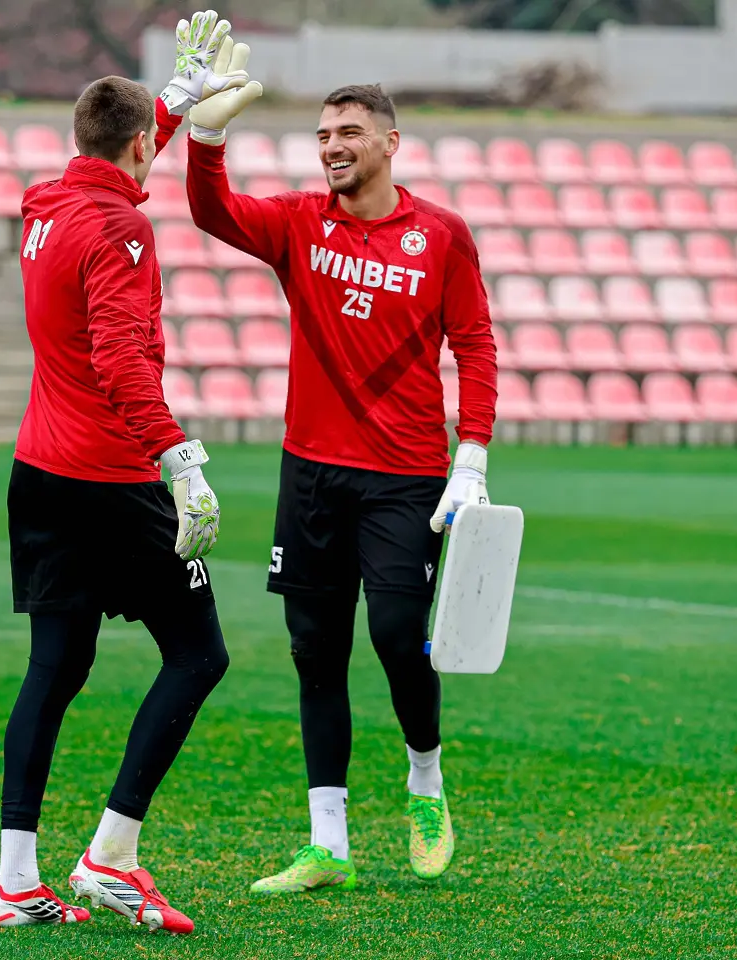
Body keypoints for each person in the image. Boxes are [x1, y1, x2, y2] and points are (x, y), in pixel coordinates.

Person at [183, 67, 498, 891]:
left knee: (398, 637)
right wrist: (206, 138)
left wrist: (473, 455)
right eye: (322, 136)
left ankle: (424, 781)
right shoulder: (297, 224)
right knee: (315, 655)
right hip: (313, 476)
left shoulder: (443, 235)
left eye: (348, 134)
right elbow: (211, 211)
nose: (332, 148)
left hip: (406, 476)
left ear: (390, 143)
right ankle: (329, 846)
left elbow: (476, 344)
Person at [0, 10, 246, 934]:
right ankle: (111, 857)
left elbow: (112, 164)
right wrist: (183, 464)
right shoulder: (122, 237)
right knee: (200, 652)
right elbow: (121, 363)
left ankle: (15, 883)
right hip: (111, 477)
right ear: (142, 148)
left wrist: (170, 103)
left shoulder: (48, 205)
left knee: (55, 668)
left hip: (39, 471)